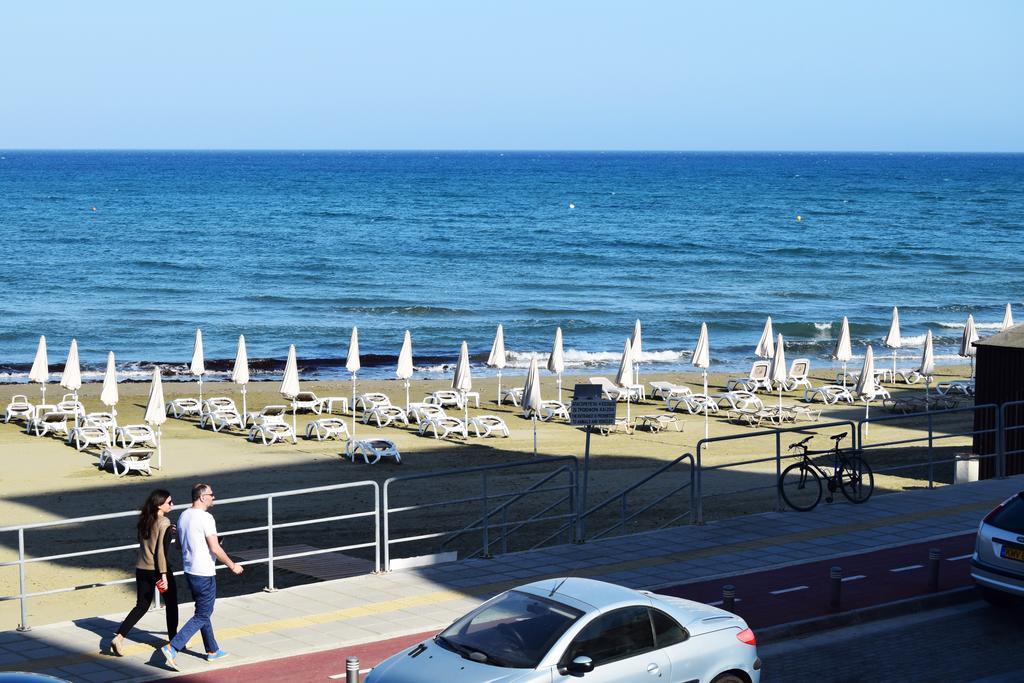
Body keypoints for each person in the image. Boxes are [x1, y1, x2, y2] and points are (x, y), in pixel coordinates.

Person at [161, 483, 243, 670]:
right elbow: (215, 547)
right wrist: (232, 565)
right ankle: (173, 647)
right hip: (204, 571)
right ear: (202, 497)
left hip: (190, 570)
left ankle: (212, 650)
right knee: (202, 614)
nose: (214, 497)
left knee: (203, 610)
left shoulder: (183, 515)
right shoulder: (206, 518)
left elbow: (178, 547)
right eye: (211, 495)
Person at [110, 489, 178, 656]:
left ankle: (119, 636)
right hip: (158, 569)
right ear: (159, 505)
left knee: (141, 605)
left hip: (141, 567)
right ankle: (174, 641)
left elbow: (143, 541)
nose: (172, 505)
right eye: (169, 502)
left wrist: (169, 532)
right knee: (171, 604)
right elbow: (161, 551)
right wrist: (163, 575)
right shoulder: (164, 522)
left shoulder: (144, 520)